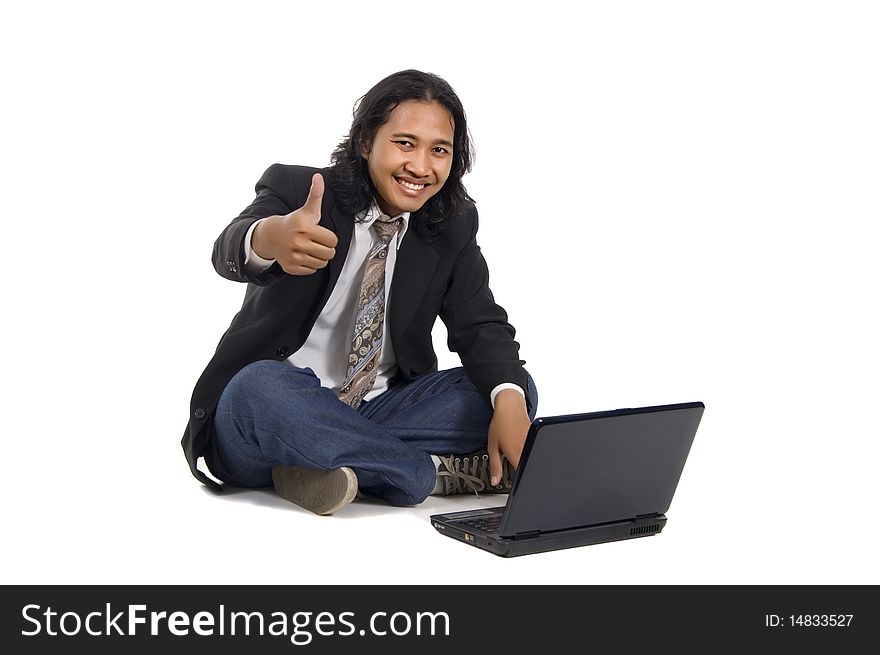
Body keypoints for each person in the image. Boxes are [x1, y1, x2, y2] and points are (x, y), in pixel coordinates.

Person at [181, 69, 538, 515]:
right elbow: (228, 247)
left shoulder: (451, 223)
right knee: (259, 385)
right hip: (270, 412)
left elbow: (480, 324)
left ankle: (330, 463)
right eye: (405, 143)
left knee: (509, 388)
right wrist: (270, 238)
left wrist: (507, 397)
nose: (421, 167)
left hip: (381, 410)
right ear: (367, 141)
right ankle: (425, 473)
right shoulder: (300, 189)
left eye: (439, 150)